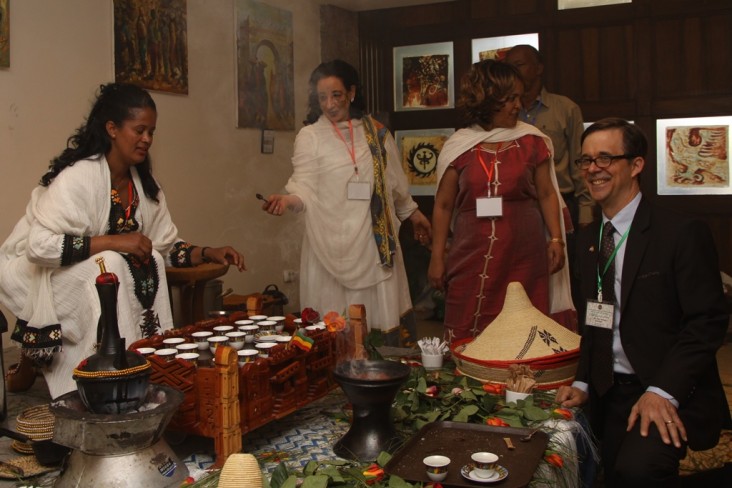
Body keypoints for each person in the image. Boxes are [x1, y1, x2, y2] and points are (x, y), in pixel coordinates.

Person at [0, 82, 246, 398]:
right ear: (112, 129)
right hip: (33, 272)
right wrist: (115, 242)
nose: (147, 139)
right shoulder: (79, 177)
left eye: (152, 132)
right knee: (112, 263)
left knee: (146, 260)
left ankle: (147, 369)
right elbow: (39, 247)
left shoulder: (143, 184)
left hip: (88, 268)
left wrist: (208, 251)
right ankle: (101, 384)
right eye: (140, 130)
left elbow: (161, 246)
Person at [556, 118, 730, 487]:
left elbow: (707, 322)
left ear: (636, 165)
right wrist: (584, 383)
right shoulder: (586, 241)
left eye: (605, 158)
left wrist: (662, 391)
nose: (593, 169)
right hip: (608, 392)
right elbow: (594, 320)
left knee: (636, 471)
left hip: (667, 386)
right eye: (586, 161)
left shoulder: (680, 233)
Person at [262, 59, 431, 346]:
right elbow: (303, 185)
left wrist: (414, 214)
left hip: (372, 241)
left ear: (352, 92)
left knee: (375, 320)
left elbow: (395, 184)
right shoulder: (310, 136)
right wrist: (287, 199)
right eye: (322, 97)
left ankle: (380, 371)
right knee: (333, 324)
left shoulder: (376, 132)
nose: (329, 105)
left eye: (336, 95)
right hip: (328, 245)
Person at [428, 59, 574, 341]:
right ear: (486, 99)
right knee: (467, 323)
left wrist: (556, 239)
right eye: (509, 99)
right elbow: (444, 205)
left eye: (519, 97)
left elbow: (546, 193)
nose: (518, 105)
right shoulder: (459, 145)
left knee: (524, 329)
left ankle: (523, 383)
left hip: (524, 255)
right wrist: (437, 257)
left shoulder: (533, 140)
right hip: (470, 253)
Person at [505, 45, 591, 324]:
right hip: (520, 208)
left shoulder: (565, 108)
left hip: (561, 203)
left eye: (520, 64)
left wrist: (587, 212)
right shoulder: (505, 112)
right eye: (510, 65)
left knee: (566, 274)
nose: (514, 71)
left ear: (539, 68)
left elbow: (581, 161)